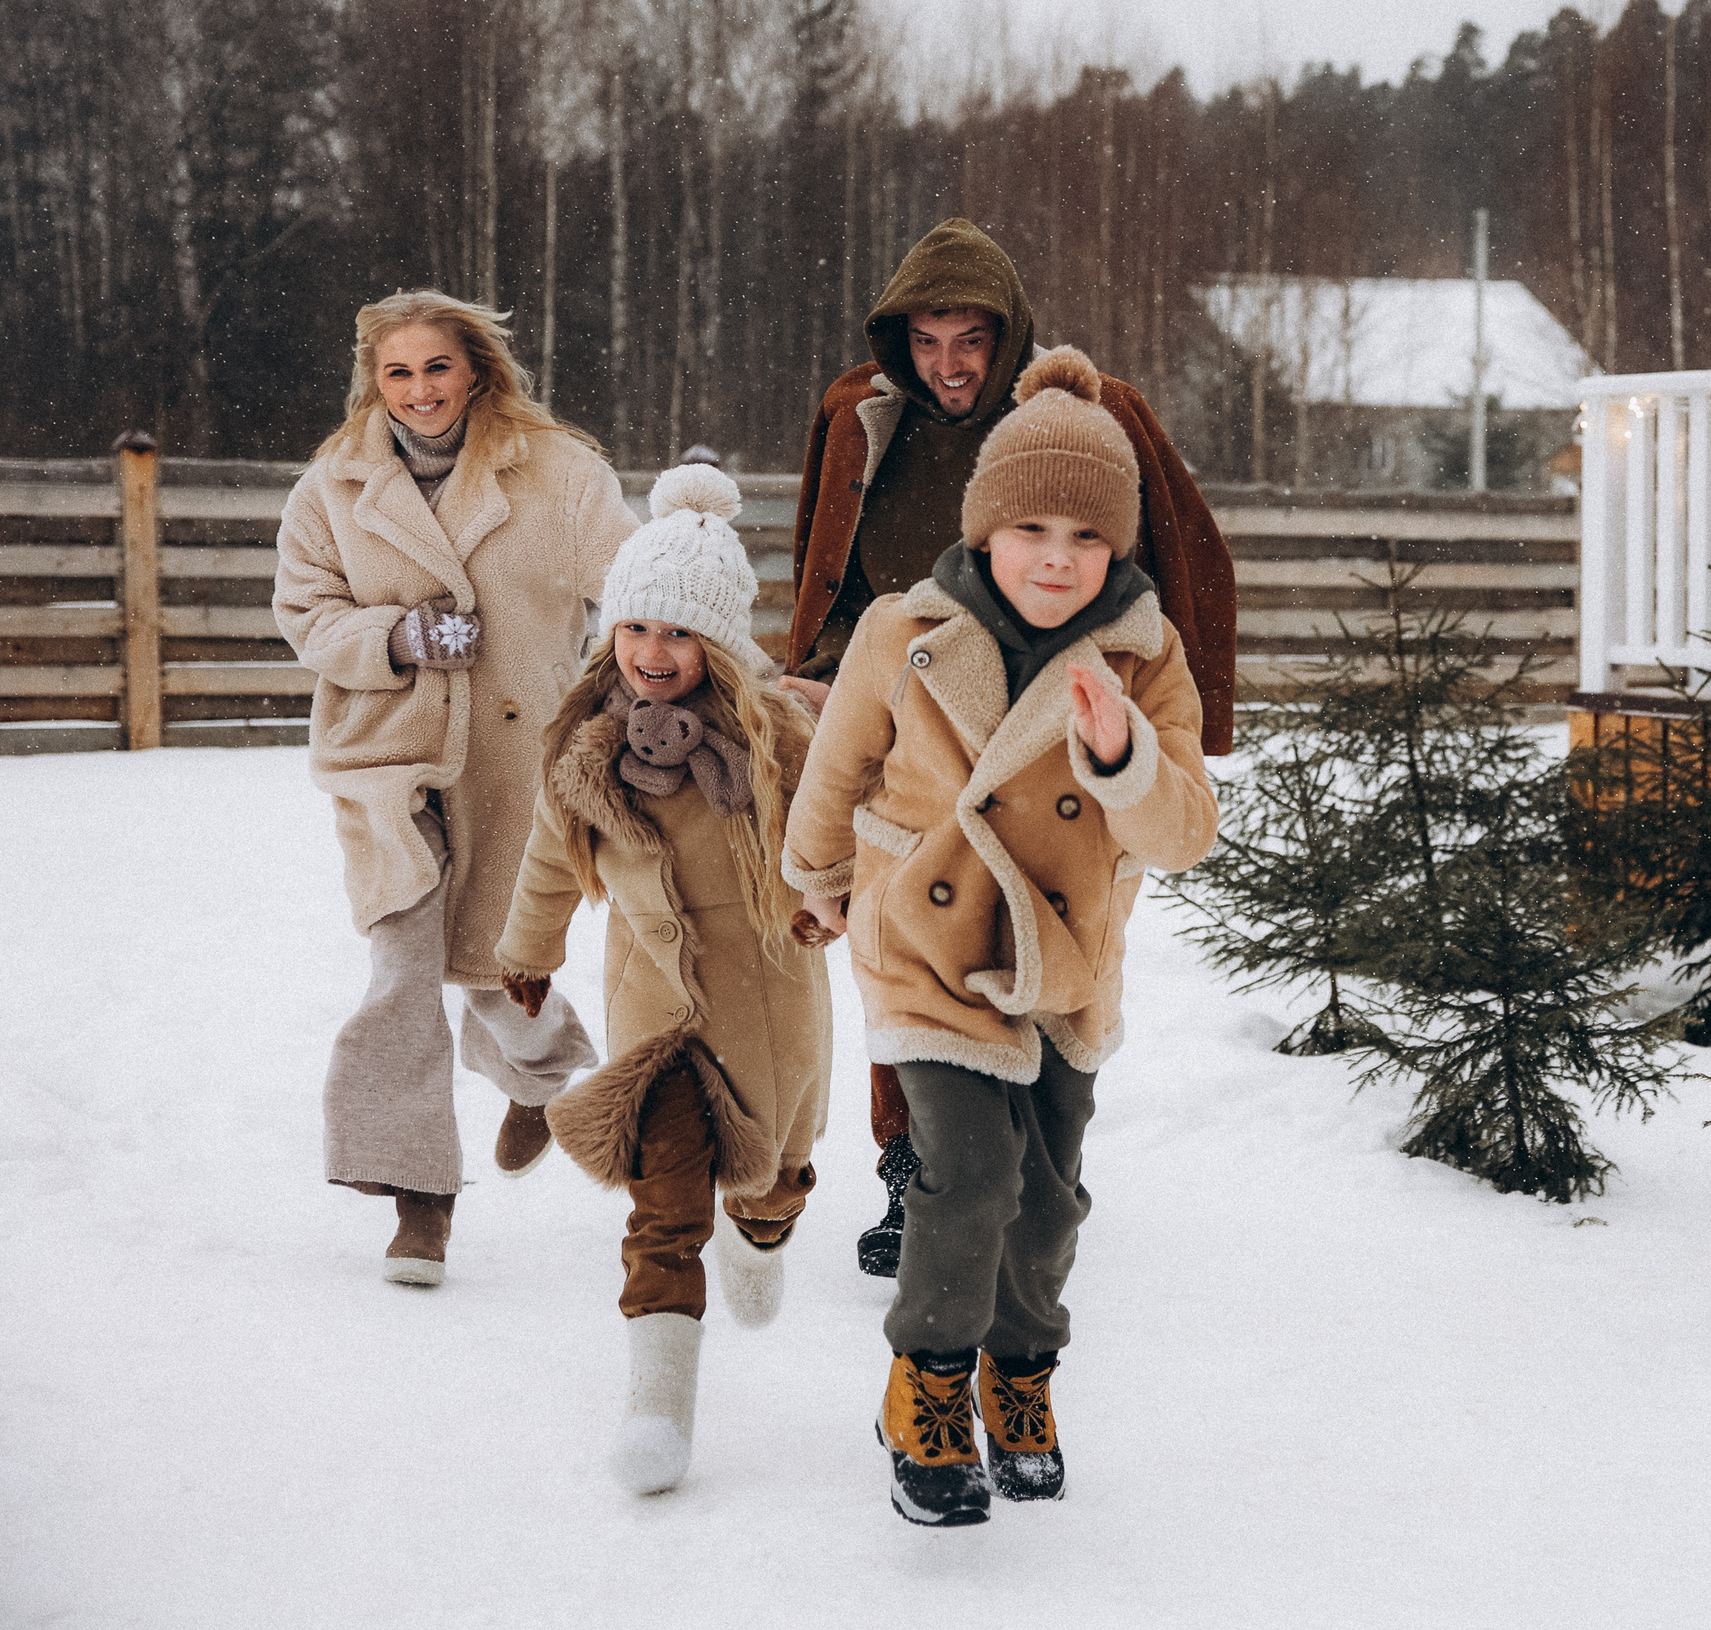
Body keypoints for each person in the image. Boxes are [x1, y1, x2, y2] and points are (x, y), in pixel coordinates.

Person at [782, 346, 1218, 1526]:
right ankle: (926, 1381)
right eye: (1030, 529)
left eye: (1086, 537)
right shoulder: (900, 627)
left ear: (1117, 548)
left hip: (1064, 964)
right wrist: (816, 875)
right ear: (983, 531)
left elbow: (1185, 832)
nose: (1056, 558)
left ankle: (1017, 1378)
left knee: (1047, 1196)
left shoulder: (1145, 652)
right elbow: (838, 767)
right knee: (966, 1172)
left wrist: (1121, 755)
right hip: (925, 941)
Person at [777, 216, 1237, 1276]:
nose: (947, 364)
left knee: (1049, 944)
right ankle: (918, 1174)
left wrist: (1173, 711)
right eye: (927, 340)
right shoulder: (860, 411)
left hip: (1050, 717)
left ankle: (1023, 1160)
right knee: (904, 934)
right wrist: (816, 658)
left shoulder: (1083, 416)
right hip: (909, 704)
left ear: (1007, 334)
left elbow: (1182, 543)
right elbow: (825, 550)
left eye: (969, 339)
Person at [275, 291, 637, 1285]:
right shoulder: (333, 486)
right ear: (374, 380)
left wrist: (639, 696)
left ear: (475, 369)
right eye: (399, 372)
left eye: (438, 367)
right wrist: (392, 636)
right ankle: (418, 1200)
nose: (420, 390)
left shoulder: (561, 473)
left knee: (491, 966)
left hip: (514, 759)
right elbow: (304, 608)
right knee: (401, 967)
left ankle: (540, 1072)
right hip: (382, 754)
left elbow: (637, 589)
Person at [493, 463, 833, 1495]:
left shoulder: (778, 740)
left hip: (768, 1005)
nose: (652, 654)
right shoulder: (585, 749)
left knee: (772, 1180)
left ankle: (762, 1232)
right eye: (635, 629)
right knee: (661, 1204)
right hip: (656, 1016)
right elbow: (552, 857)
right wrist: (528, 949)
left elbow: (835, 834)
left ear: (717, 643)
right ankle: (658, 1409)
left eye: (677, 634)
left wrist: (828, 895)